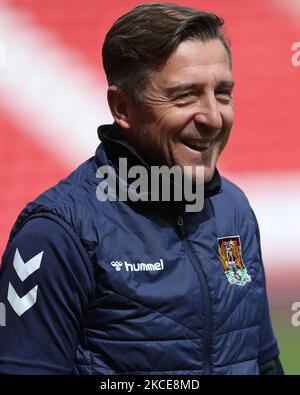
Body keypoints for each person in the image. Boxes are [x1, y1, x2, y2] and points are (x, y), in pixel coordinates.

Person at [0, 2, 284, 375]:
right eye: (186, 95)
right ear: (122, 107)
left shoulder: (234, 210)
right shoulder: (56, 235)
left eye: (223, 93)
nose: (213, 117)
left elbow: (263, 364)